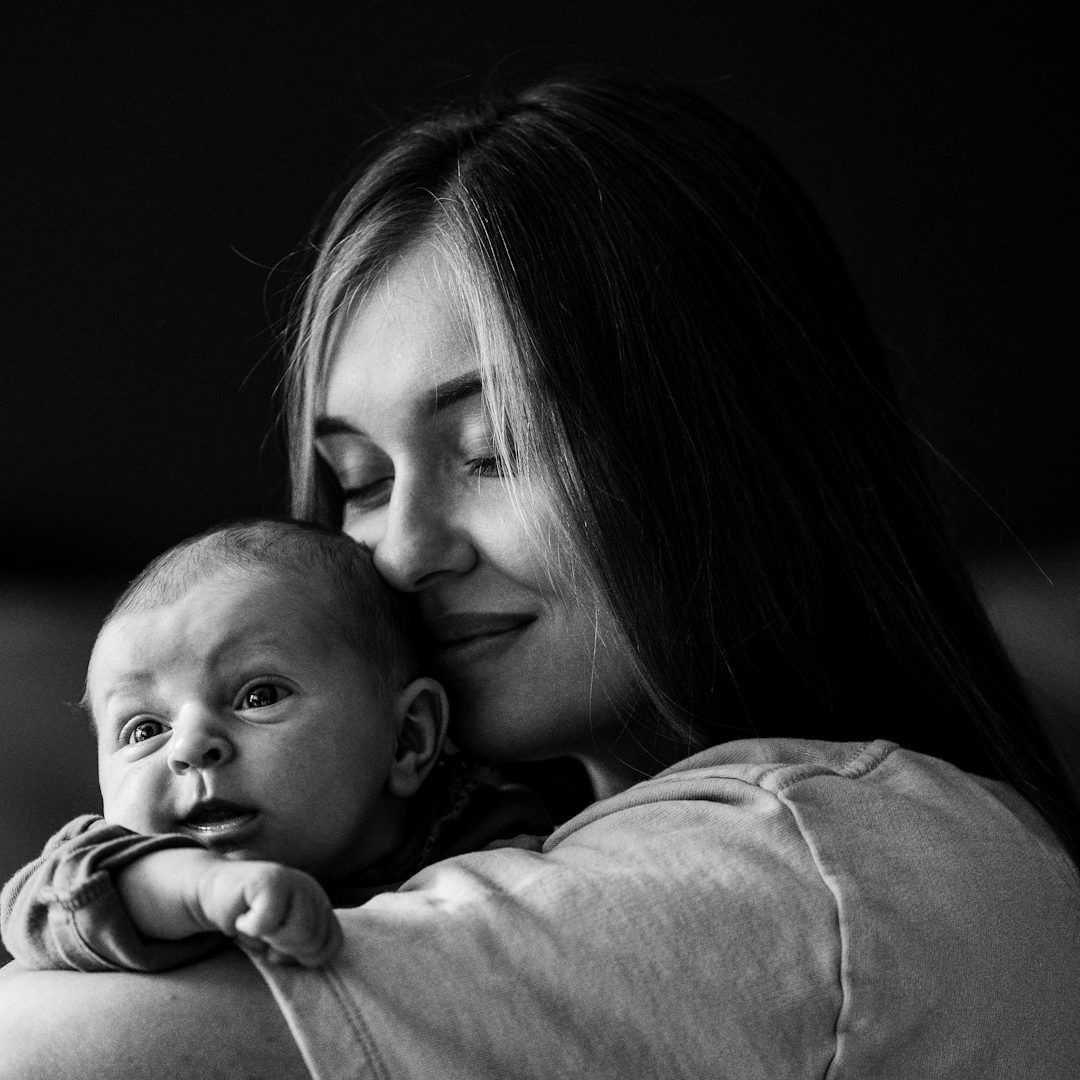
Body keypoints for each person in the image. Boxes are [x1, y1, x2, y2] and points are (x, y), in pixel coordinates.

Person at [1, 69, 1078, 1079]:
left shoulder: (810, 860)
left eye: (493, 447)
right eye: (362, 482)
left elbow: (54, 1049)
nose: (404, 551)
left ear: (729, 443)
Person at [0, 517, 547, 972]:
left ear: (408, 738)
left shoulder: (495, 825)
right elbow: (46, 904)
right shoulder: (103, 865)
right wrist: (204, 891)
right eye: (145, 731)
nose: (189, 748)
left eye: (258, 696)